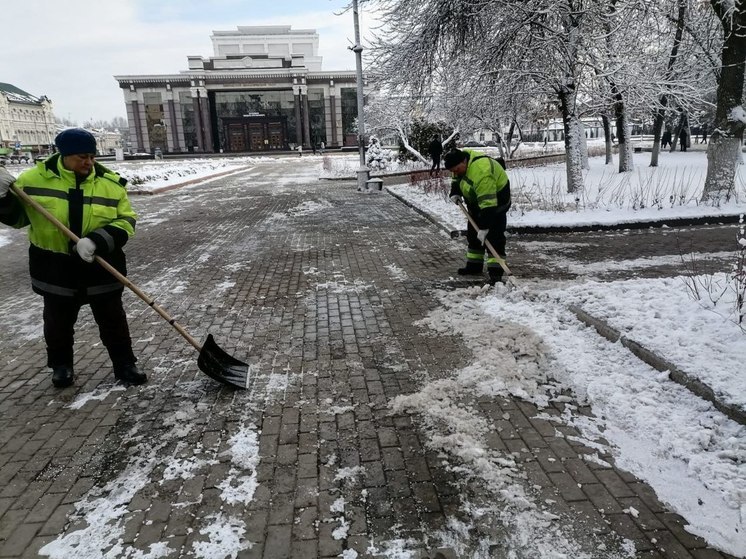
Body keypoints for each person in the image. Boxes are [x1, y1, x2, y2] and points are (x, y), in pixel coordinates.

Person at [0, 129, 145, 388]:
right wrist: (1, 199)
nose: (88, 162)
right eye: (82, 157)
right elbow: (18, 218)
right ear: (63, 155)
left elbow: (127, 220)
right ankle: (61, 367)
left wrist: (97, 240)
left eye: (91, 156)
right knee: (58, 324)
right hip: (55, 268)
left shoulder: (110, 184)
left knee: (113, 320)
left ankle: (125, 364)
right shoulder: (33, 181)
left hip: (101, 265)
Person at [444, 148, 511, 285]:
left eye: (456, 169)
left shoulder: (482, 172)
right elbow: (456, 179)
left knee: (494, 237)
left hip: (496, 203)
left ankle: (496, 273)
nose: (455, 173)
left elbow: (488, 205)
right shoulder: (461, 161)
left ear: (464, 162)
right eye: (452, 171)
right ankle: (474, 266)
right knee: (473, 235)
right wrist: (455, 192)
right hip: (477, 202)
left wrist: (485, 227)